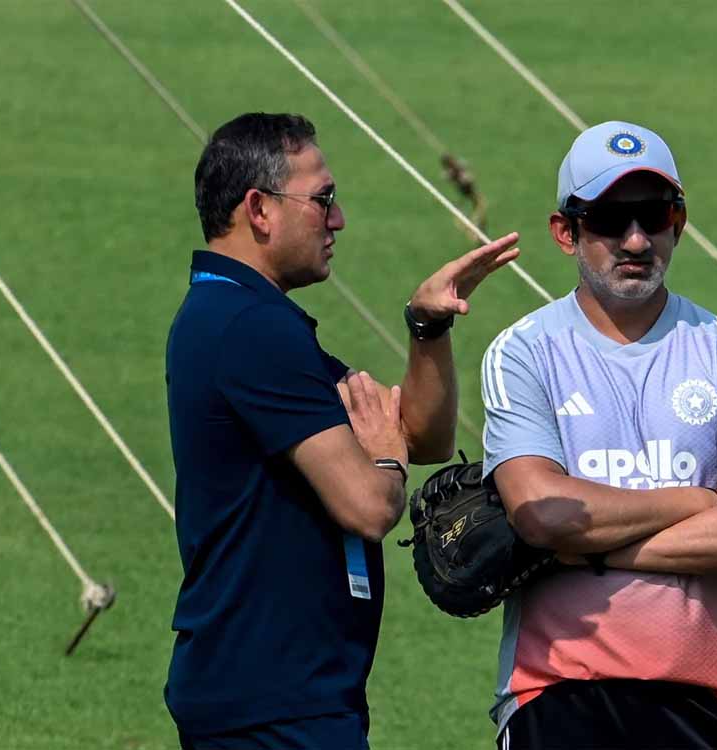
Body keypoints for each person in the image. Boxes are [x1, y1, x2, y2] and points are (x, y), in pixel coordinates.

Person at [165, 112, 519, 750]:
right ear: (259, 209)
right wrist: (383, 465)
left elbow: (419, 437)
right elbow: (369, 505)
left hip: (277, 691)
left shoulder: (240, 317)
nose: (339, 220)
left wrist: (428, 327)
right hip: (273, 702)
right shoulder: (251, 330)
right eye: (323, 199)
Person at [481, 121, 717, 749]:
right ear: (566, 232)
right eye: (608, 219)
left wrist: (587, 549)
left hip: (700, 699)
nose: (634, 240)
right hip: (557, 695)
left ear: (678, 223)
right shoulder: (523, 353)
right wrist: (701, 502)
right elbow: (543, 515)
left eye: (653, 215)